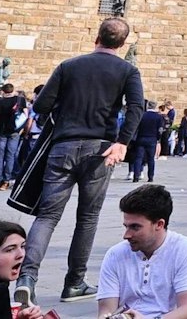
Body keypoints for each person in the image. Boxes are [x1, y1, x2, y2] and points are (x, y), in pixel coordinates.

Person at [17, 17, 144, 306]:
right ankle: (74, 282)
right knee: (87, 218)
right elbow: (136, 108)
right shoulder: (128, 71)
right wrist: (122, 143)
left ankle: (27, 279)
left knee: (47, 216)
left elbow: (40, 106)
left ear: (96, 37)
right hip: (100, 151)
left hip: (63, 146)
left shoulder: (69, 66)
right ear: (123, 44)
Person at [96, 184, 187, 319]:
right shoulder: (115, 254)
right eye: (126, 226)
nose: (126, 235)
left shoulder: (185, 249)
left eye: (135, 227)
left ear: (159, 224)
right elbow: (106, 310)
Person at [129, 101, 164, 183]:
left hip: (141, 138)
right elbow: (160, 130)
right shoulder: (158, 117)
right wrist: (158, 138)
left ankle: (136, 176)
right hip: (152, 139)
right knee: (151, 159)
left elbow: (136, 127)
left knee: (138, 158)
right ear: (155, 107)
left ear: (147, 106)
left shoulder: (142, 115)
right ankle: (150, 177)